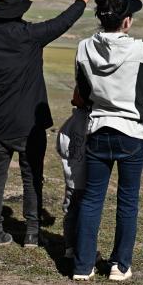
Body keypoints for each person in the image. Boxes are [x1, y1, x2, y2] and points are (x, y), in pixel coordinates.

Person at [0, 0, 95, 248]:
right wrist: (80, 2)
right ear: (18, 12)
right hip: (30, 124)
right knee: (32, 176)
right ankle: (32, 233)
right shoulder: (29, 35)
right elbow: (61, 23)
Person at [72, 0, 143, 281]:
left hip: (98, 130)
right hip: (133, 133)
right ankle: (120, 266)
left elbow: (82, 89)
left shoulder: (83, 48)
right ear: (127, 21)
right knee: (128, 200)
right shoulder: (139, 50)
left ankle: (83, 266)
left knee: (92, 199)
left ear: (100, 17)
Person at [55, 87, 91, 259]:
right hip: (87, 179)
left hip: (71, 177)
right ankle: (82, 248)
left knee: (70, 211)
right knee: (86, 213)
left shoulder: (69, 123)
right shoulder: (92, 123)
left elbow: (60, 147)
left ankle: (69, 246)